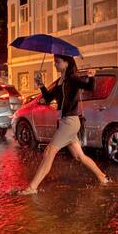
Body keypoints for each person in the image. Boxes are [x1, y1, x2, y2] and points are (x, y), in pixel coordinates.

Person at [19, 54, 110, 195]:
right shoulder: (60, 81)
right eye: (54, 61)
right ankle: (103, 177)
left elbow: (89, 87)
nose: (55, 64)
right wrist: (41, 85)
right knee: (79, 156)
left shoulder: (72, 78)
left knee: (50, 151)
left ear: (67, 63)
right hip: (64, 122)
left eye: (57, 62)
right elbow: (48, 98)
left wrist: (92, 76)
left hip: (70, 122)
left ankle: (32, 188)